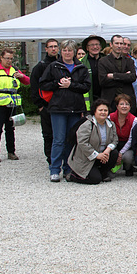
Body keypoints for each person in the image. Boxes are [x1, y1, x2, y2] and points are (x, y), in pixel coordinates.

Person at [38, 40, 90, 182]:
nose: (67, 53)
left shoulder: (81, 67)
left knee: (71, 140)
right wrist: (58, 83)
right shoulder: (53, 66)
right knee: (58, 140)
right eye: (65, 50)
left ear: (74, 52)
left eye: (70, 50)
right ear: (61, 51)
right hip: (58, 108)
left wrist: (71, 85)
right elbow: (43, 84)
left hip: (75, 108)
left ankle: (68, 168)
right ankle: (54, 169)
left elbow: (86, 86)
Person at [0, 48, 30, 163]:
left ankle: (11, 152)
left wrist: (21, 76)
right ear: (1, 58)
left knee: (10, 129)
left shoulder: (15, 70)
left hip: (12, 105)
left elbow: (27, 82)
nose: (9, 61)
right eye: (7, 58)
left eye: (11, 59)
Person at [67, 99, 119, 184]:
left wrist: (107, 150)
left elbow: (115, 140)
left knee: (114, 153)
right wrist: (97, 155)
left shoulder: (110, 124)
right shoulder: (87, 124)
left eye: (105, 110)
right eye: (100, 110)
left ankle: (103, 173)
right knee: (95, 180)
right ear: (94, 111)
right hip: (86, 157)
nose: (103, 112)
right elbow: (82, 143)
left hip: (102, 155)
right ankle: (73, 175)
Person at [30, 38, 59, 164]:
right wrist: (40, 105)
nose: (53, 49)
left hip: (60, 105)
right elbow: (34, 86)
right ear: (46, 49)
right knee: (48, 134)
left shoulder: (62, 63)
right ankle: (50, 159)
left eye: (55, 46)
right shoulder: (40, 66)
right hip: (46, 105)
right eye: (51, 46)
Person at [98, 35, 137, 113]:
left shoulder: (129, 61)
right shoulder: (103, 61)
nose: (119, 46)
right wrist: (124, 76)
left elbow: (133, 77)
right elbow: (103, 81)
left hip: (127, 101)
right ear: (111, 45)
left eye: (121, 43)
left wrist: (113, 76)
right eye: (117, 43)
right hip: (110, 100)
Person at [110, 94, 137, 177]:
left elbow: (131, 139)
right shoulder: (110, 117)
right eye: (121, 104)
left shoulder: (134, 119)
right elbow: (110, 136)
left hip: (127, 145)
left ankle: (128, 167)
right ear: (117, 106)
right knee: (112, 153)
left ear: (130, 107)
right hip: (114, 144)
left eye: (127, 104)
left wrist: (121, 153)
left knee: (128, 157)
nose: (124, 106)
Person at [81, 35, 107, 111]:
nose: (95, 47)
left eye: (97, 44)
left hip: (104, 97)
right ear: (87, 48)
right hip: (89, 100)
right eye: (92, 45)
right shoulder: (81, 62)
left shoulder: (107, 61)